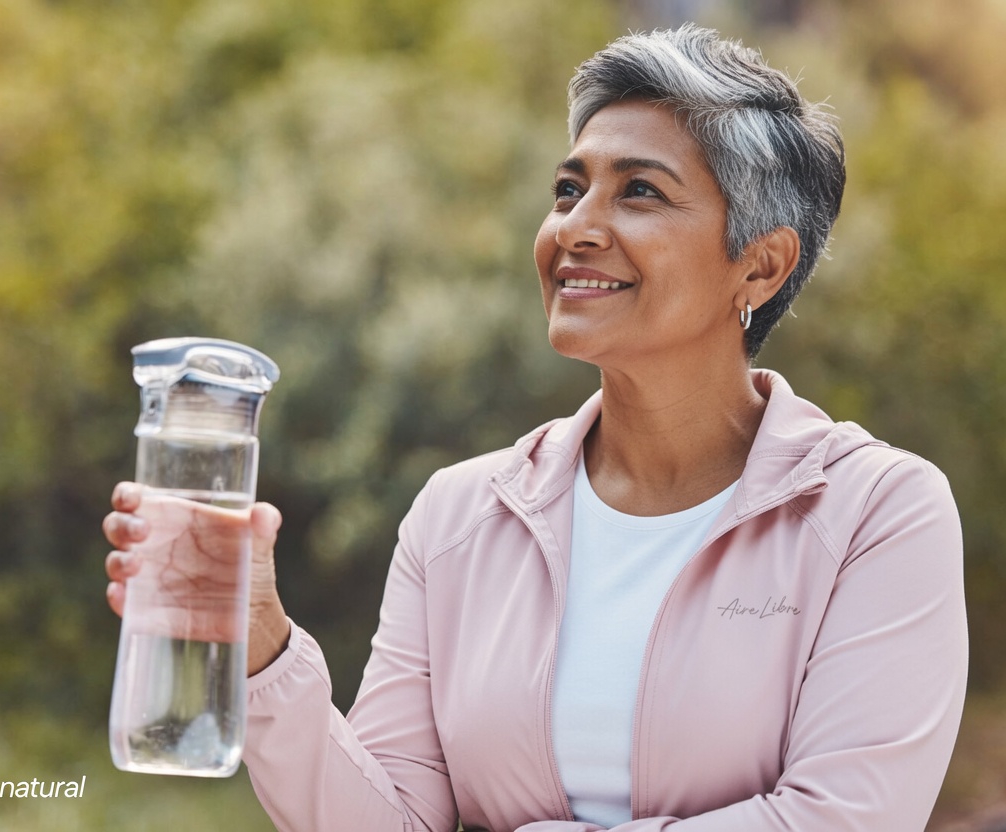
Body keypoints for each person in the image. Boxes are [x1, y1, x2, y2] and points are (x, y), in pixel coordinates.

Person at [103, 24, 966, 832]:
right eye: (568, 189)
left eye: (638, 192)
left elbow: (842, 819)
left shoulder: (877, 513)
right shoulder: (460, 516)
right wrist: (262, 650)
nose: (575, 229)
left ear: (761, 263)